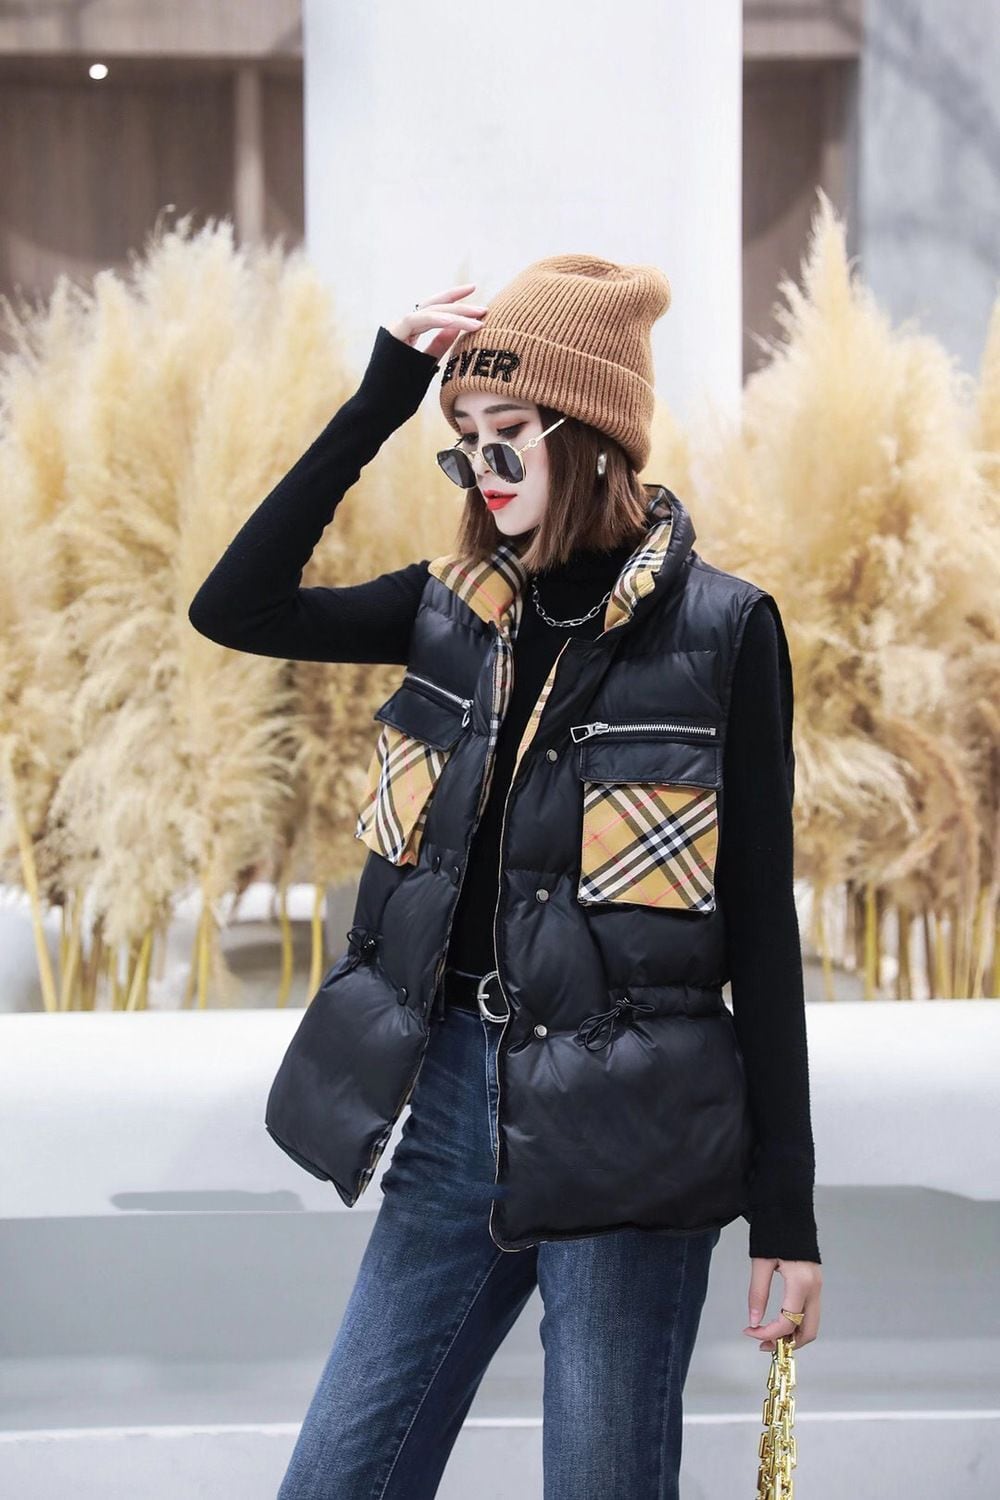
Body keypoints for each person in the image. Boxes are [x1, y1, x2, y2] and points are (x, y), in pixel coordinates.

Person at [189, 257, 823, 1500]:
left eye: (509, 430)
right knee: (335, 1479)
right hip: (450, 1111)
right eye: (463, 437)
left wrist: (786, 1219)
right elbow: (236, 605)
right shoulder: (450, 611)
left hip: (632, 1140)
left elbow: (761, 929)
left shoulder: (722, 632)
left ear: (589, 435)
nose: (482, 463)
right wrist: (383, 394)